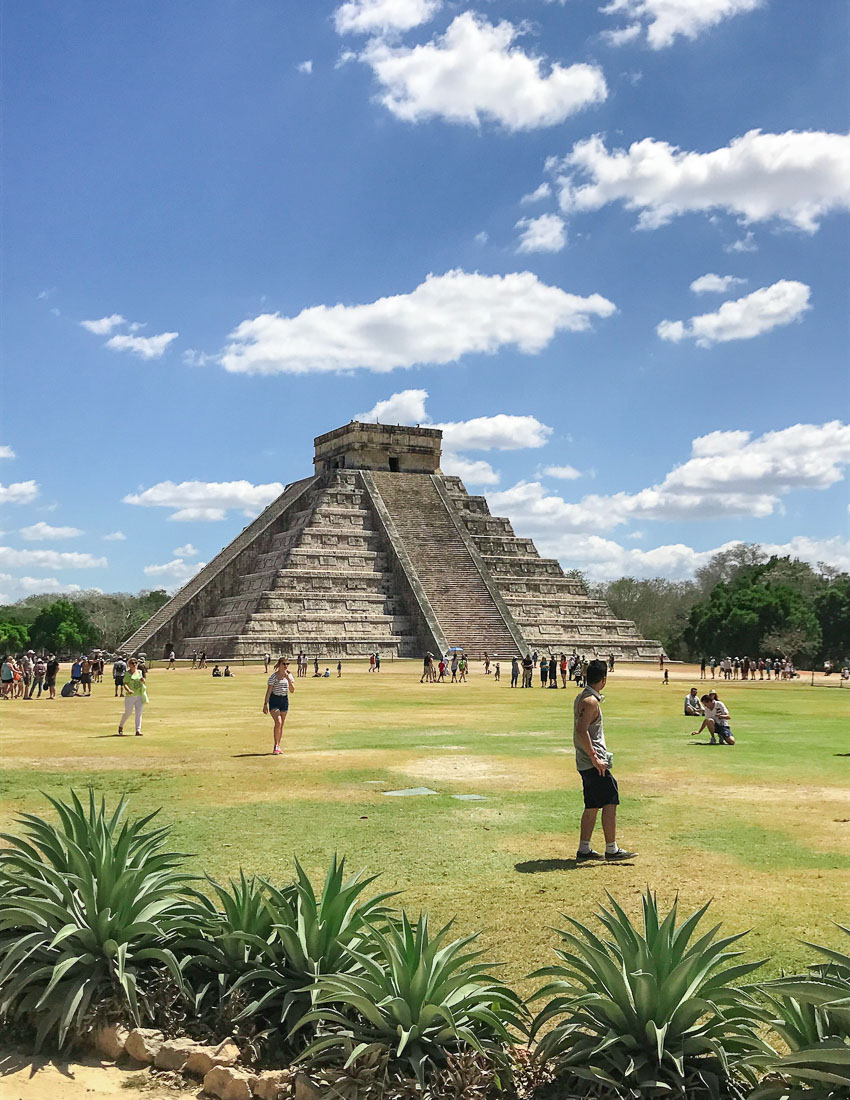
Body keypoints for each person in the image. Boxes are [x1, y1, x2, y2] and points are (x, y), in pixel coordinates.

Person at [574, 659, 636, 862]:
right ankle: (612, 849)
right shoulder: (590, 702)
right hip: (594, 763)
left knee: (592, 804)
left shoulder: (583, 698)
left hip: (588, 761)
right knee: (610, 800)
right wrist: (595, 758)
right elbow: (581, 730)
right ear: (604, 679)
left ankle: (584, 848)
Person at [263, 657, 295, 755]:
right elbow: (269, 691)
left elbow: (292, 690)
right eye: (284, 664)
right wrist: (265, 704)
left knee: (281, 725)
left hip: (284, 700)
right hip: (274, 700)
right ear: (279, 665)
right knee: (278, 722)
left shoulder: (289, 675)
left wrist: (288, 679)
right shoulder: (273, 677)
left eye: (287, 664)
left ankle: (278, 745)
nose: (286, 666)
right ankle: (276, 746)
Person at [118, 657, 148, 736]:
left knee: (139, 713)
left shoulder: (139, 672)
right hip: (130, 696)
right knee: (128, 712)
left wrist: (143, 680)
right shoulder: (127, 674)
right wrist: (128, 690)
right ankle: (121, 726)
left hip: (139, 695)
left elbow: (143, 680)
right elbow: (125, 684)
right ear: (129, 665)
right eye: (132, 663)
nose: (134, 665)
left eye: (135, 663)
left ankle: (138, 730)